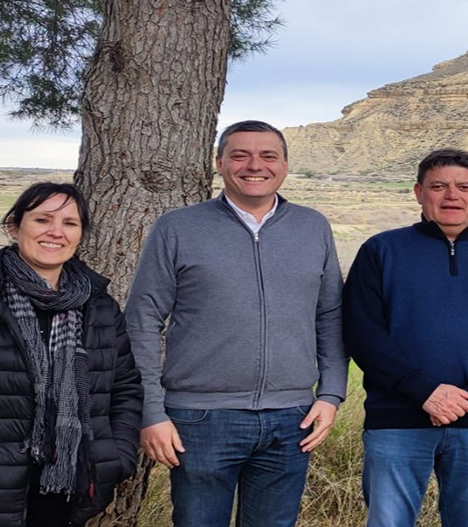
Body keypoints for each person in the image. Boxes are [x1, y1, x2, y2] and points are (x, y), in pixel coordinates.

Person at [126, 120, 348, 527]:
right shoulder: (177, 227)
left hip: (292, 416)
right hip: (200, 420)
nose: (254, 165)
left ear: (284, 165)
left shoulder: (312, 226)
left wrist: (331, 394)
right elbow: (141, 320)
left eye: (268, 156)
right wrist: (151, 412)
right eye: (240, 155)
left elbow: (330, 314)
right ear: (219, 162)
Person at [342, 148, 468, 527]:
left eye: (464, 186)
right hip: (396, 421)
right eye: (439, 186)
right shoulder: (381, 250)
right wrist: (425, 392)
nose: (452, 195)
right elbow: (363, 333)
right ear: (419, 193)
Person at [0, 182, 143, 527]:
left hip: (68, 486)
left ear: (80, 234)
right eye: (43, 220)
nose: (56, 232)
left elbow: (126, 387)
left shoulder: (98, 306)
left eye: (70, 223)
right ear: (14, 225)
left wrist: (115, 457)